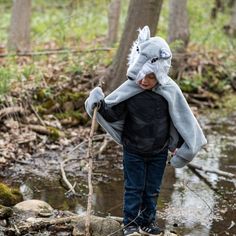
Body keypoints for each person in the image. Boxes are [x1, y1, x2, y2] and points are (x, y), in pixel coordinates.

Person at [85, 26, 207, 236]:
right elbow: (114, 115)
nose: (143, 81)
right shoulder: (130, 90)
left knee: (151, 190)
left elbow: (179, 120)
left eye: (149, 77)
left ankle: (148, 222)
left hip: (158, 151)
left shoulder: (169, 91)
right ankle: (131, 223)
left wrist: (179, 147)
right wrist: (99, 104)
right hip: (133, 150)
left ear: (159, 73)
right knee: (134, 189)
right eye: (140, 76)